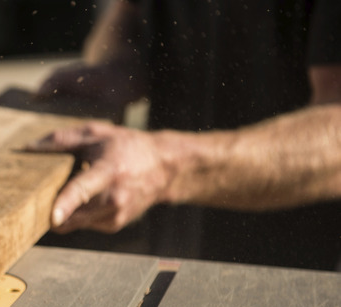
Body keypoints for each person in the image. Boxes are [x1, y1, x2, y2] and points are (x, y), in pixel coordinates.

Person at [30, 0, 341, 270]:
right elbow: (127, 16)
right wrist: (120, 64)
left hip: (301, 277)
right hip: (173, 245)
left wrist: (166, 165)